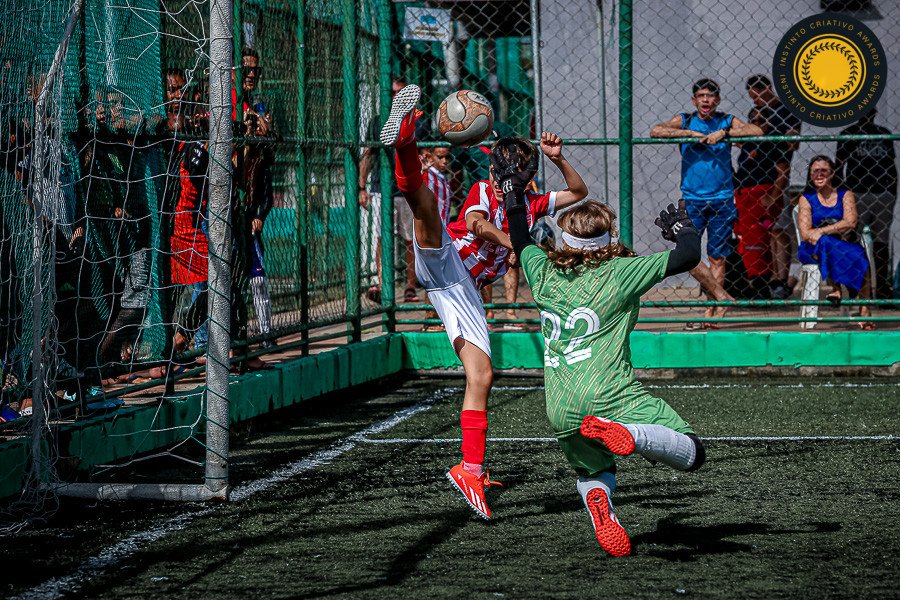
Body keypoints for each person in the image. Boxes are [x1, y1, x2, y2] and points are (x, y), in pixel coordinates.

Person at [500, 146, 706, 555]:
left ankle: (601, 503)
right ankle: (631, 434)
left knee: (593, 469)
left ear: (564, 238)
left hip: (560, 405)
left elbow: (520, 237)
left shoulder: (543, 271)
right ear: (607, 237)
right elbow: (688, 256)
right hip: (611, 394)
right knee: (692, 453)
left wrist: (513, 194)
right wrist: (685, 228)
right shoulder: (620, 270)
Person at [380, 84, 500, 519]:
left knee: (481, 376)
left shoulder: (527, 205)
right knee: (424, 206)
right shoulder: (487, 193)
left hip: (457, 285)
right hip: (452, 270)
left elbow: (573, 195)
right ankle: (470, 469)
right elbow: (478, 224)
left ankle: (405, 143)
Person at [650, 78, 763, 326]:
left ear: (717, 100)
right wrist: (690, 134)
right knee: (687, 253)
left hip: (722, 199)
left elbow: (756, 131)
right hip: (693, 199)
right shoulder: (686, 120)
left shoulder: (725, 120)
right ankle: (721, 296)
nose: (706, 100)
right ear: (694, 100)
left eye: (710, 96)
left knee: (717, 257)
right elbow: (656, 130)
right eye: (701, 96)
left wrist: (725, 133)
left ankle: (713, 311)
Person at [446, 132, 588, 294]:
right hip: (452, 258)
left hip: (473, 280)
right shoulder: (483, 190)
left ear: (528, 177)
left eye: (509, 175)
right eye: (495, 172)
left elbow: (578, 192)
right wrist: (518, 246)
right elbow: (475, 223)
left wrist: (557, 159)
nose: (499, 180)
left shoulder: (532, 203)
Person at [359, 77, 420, 304]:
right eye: (392, 93)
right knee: (381, 237)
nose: (396, 97)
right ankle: (384, 284)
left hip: (408, 191)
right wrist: (361, 186)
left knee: (410, 239)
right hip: (380, 188)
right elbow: (368, 155)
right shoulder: (377, 121)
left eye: (400, 93)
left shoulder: (417, 119)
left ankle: (411, 285)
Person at [797, 156, 874, 329]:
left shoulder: (845, 194)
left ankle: (863, 308)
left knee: (860, 257)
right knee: (824, 242)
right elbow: (806, 234)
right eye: (815, 171)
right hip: (813, 248)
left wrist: (821, 230)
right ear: (810, 175)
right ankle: (836, 288)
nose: (819, 174)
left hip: (843, 244)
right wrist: (833, 229)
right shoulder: (806, 198)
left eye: (823, 170)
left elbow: (851, 222)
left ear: (832, 173)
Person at [746, 74, 802, 299]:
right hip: (756, 178)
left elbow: (793, 143)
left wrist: (773, 132)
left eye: (758, 95)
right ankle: (769, 278)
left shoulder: (787, 111)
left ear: (768, 88)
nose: (756, 101)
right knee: (765, 231)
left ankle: (781, 278)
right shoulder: (756, 113)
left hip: (778, 176)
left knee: (779, 229)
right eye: (752, 97)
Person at [835, 108, 897, 301]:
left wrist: (892, 191)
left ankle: (882, 289)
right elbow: (839, 167)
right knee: (852, 240)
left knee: (881, 242)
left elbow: (891, 166)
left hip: (882, 192)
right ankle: (857, 287)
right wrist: (844, 196)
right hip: (857, 192)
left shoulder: (883, 133)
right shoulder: (847, 134)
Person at [732, 106, 790, 297]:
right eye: (753, 120)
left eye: (761, 120)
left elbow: (783, 171)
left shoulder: (773, 141)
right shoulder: (748, 142)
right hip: (745, 196)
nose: (757, 123)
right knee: (748, 239)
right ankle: (753, 281)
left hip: (763, 194)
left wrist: (773, 196)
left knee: (764, 238)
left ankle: (771, 282)